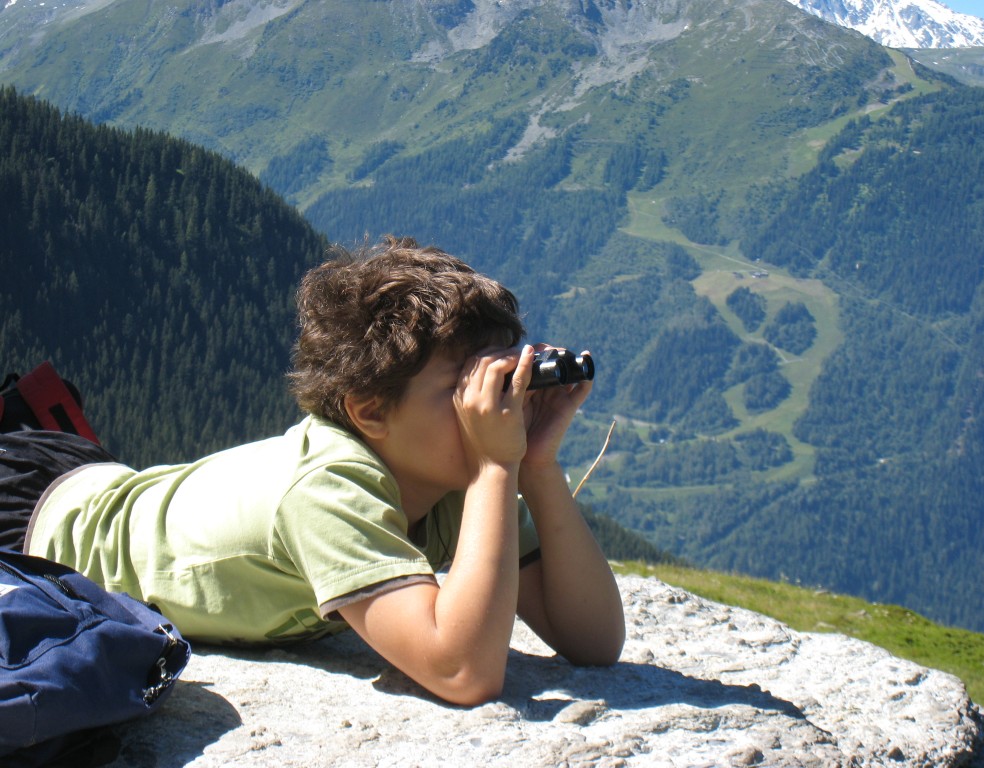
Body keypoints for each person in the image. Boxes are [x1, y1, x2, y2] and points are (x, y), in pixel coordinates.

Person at [3, 235, 625, 706]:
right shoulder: (331, 490)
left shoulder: (458, 478)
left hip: (90, 480)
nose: (491, 404)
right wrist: (496, 464)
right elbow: (461, 670)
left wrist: (535, 467)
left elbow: (594, 641)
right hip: (37, 531)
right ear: (370, 411)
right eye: (461, 388)